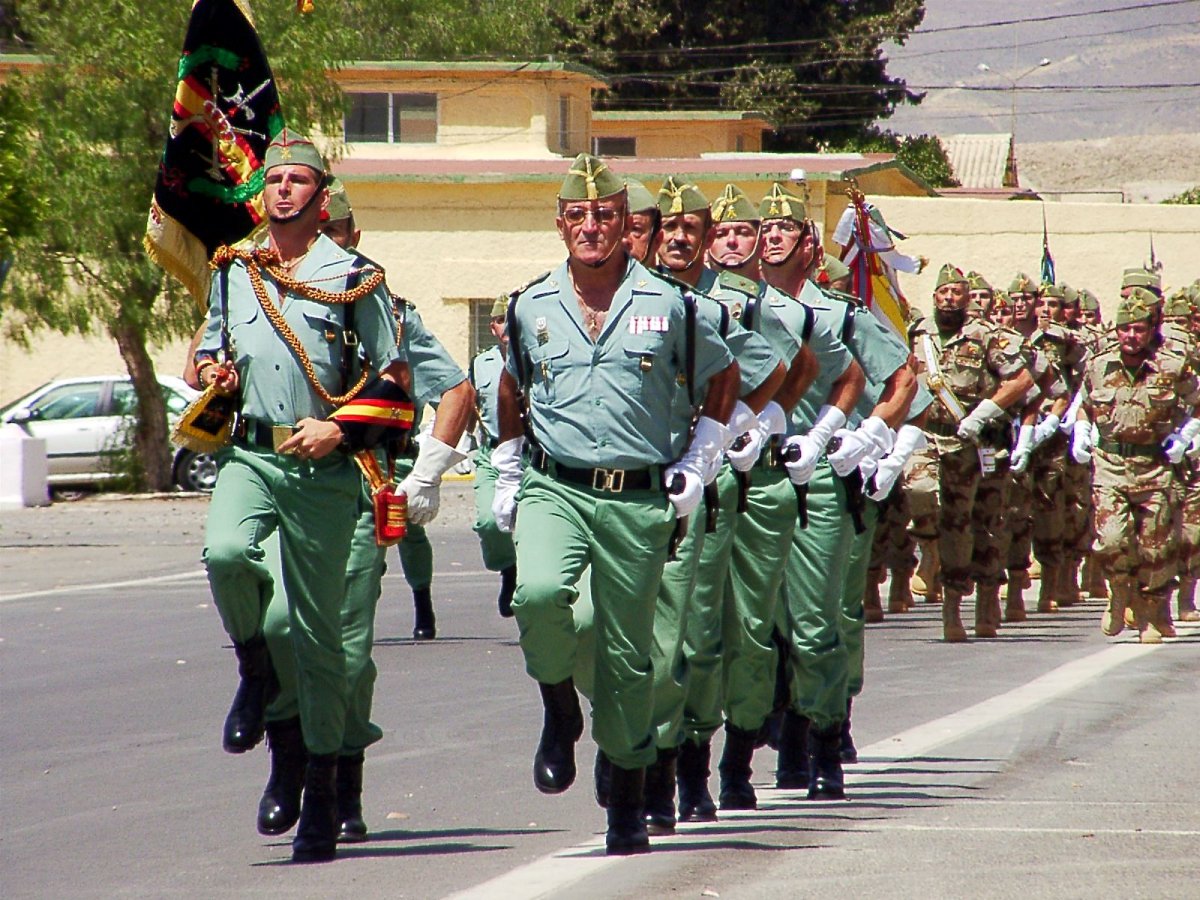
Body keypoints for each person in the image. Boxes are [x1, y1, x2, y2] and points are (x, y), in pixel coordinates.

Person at [490, 153, 740, 855]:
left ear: (627, 223)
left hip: (637, 497)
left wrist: (702, 455)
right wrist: (507, 469)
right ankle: (559, 707)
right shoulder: (531, 303)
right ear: (560, 224)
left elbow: (724, 375)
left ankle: (627, 795)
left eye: (604, 215)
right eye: (578, 215)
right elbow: (511, 386)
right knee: (539, 595)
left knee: (629, 656)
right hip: (556, 486)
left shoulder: (672, 304)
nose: (591, 226)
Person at [195, 129, 413, 863]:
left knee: (314, 638)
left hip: (321, 466)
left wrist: (340, 429)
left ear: (322, 199)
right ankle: (255, 672)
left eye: (297, 180)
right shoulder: (234, 267)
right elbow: (209, 348)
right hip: (250, 453)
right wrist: (214, 372)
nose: (282, 189)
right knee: (226, 553)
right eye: (274, 179)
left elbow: (396, 380)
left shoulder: (355, 278)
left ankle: (317, 784)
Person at [248, 178, 473, 849]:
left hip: (355, 487)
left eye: (334, 232)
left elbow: (454, 388)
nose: (322, 243)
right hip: (278, 483)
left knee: (344, 647)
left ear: (350, 236)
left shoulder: (384, 306)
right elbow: (208, 358)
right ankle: (288, 748)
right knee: (276, 626)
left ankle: (340, 777)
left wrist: (428, 472)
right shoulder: (255, 287)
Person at [758, 183, 916, 797]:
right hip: (755, 473)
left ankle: (820, 731)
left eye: (785, 228)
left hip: (825, 475)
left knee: (821, 617)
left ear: (808, 243)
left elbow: (903, 383)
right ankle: (773, 722)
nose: (771, 236)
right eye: (764, 227)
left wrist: (872, 436)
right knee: (762, 619)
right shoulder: (735, 308)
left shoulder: (843, 315)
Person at [905, 264, 1034, 642]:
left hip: (973, 443)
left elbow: (1022, 380)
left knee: (974, 523)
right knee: (920, 493)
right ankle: (929, 552)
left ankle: (971, 603)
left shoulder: (985, 335)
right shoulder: (919, 335)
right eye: (943, 293)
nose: (949, 299)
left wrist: (984, 413)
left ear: (966, 299)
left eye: (956, 293)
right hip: (928, 437)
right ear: (934, 297)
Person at [1073, 287, 1200, 643]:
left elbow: (1198, 402)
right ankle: (1118, 590)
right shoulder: (1099, 365)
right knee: (1112, 540)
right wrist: (1081, 432)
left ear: (1151, 330)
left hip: (1155, 466)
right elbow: (1083, 404)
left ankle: (1147, 616)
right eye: (1124, 329)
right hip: (1111, 464)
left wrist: (1186, 437)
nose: (1131, 336)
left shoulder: (1171, 366)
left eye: (1139, 329)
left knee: (1155, 550)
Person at [469, 296, 519, 617]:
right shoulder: (480, 364)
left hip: (528, 453)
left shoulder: (533, 358)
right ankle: (508, 569)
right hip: (492, 453)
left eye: (511, 319)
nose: (506, 327)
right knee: (488, 522)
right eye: (500, 320)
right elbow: (469, 405)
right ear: (492, 327)